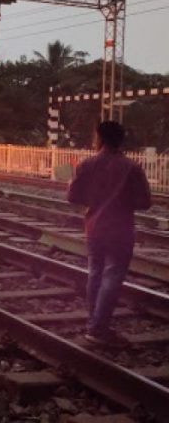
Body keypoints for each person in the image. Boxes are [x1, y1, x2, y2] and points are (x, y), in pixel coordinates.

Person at [68, 121, 151, 347]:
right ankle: (98, 328)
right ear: (120, 140)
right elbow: (145, 202)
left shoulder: (86, 164)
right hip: (121, 229)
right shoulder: (132, 167)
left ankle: (94, 323)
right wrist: (122, 201)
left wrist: (95, 199)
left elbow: (72, 197)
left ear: (100, 138)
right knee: (112, 276)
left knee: (95, 273)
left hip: (94, 227)